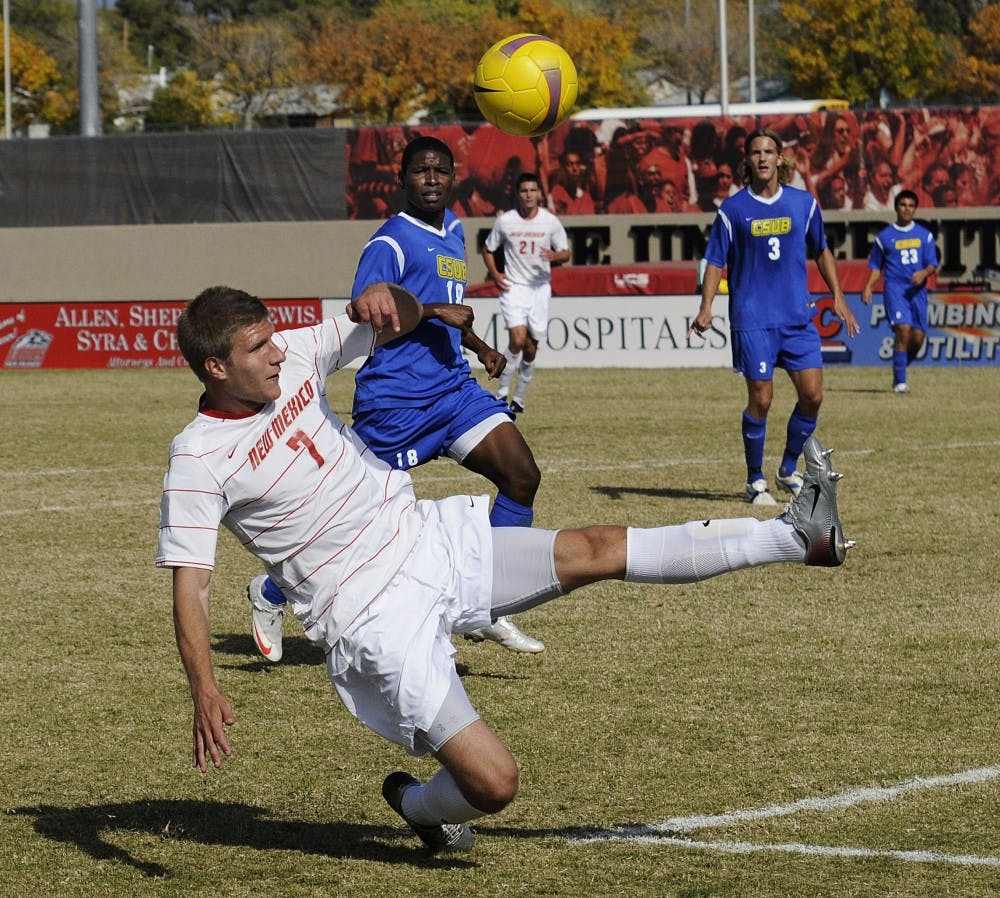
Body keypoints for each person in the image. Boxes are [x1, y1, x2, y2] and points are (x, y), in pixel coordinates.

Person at [158, 282, 854, 854]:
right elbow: (191, 583)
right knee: (495, 785)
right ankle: (417, 804)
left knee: (593, 547)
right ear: (217, 368)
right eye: (257, 347)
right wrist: (204, 686)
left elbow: (393, 317)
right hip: (371, 617)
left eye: (274, 335)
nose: (278, 351)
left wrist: (392, 299)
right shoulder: (197, 458)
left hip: (426, 540)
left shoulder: (300, 352)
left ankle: (796, 538)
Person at [249, 136, 546, 657]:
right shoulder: (389, 242)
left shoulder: (454, 230)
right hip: (396, 403)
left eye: (440, 171)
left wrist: (479, 347)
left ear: (454, 177)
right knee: (348, 522)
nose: (431, 179)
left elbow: (454, 311)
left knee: (522, 476)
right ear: (401, 178)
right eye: (420, 171)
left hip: (454, 390)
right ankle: (270, 591)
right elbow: (365, 311)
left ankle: (485, 605)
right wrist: (433, 312)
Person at [690, 128, 860, 506]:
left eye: (769, 151)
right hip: (753, 319)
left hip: (797, 317)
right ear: (747, 161)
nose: (763, 157)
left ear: (781, 159)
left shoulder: (804, 204)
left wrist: (838, 296)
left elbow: (822, 249)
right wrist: (706, 307)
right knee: (762, 400)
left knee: (813, 396)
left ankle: (786, 469)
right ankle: (755, 481)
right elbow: (716, 261)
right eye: (756, 152)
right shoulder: (732, 210)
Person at [481, 172, 570, 415]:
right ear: (517, 194)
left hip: (539, 289)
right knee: (517, 340)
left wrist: (555, 256)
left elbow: (566, 252)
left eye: (533, 190)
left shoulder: (550, 222)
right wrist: (497, 274)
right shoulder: (506, 221)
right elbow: (488, 249)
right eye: (524, 191)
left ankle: (519, 397)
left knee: (530, 347)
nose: (529, 195)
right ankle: (501, 392)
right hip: (514, 288)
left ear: (540, 194)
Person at [860, 190, 939, 393]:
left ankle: (900, 369)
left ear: (915, 209)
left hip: (917, 291)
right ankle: (901, 383)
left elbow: (932, 264)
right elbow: (876, 266)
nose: (906, 209)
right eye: (903, 205)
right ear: (896, 207)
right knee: (903, 330)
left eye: (910, 206)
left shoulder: (925, 235)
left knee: (917, 339)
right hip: (895, 289)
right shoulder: (885, 237)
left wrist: (924, 273)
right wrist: (868, 285)